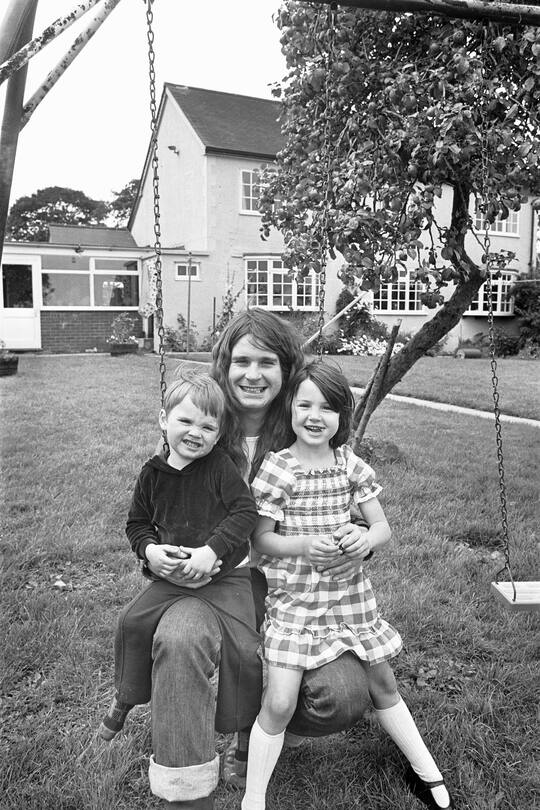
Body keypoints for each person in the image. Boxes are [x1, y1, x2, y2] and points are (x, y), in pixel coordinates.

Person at [145, 309, 373, 810]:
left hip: (294, 587)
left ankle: (263, 731)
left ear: (287, 369)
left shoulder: (305, 424)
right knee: (179, 640)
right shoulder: (200, 421)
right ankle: (187, 793)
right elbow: (155, 504)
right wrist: (153, 550)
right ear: (223, 365)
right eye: (241, 360)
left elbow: (352, 508)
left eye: (267, 361)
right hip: (208, 582)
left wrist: (361, 538)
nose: (253, 374)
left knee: (344, 694)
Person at [241, 361, 454, 810]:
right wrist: (303, 545)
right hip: (295, 599)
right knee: (279, 702)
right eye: (305, 404)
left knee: (384, 683)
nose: (316, 416)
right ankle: (253, 797)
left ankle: (427, 774)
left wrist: (362, 539)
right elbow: (260, 539)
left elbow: (381, 529)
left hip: (349, 596)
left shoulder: (349, 465)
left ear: (343, 416)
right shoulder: (279, 468)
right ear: (291, 408)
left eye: (329, 407)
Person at [99, 369, 260, 745]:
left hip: (224, 575)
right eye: (185, 420)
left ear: (219, 434)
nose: (194, 432)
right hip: (172, 576)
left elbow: (245, 513)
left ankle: (243, 735)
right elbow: (137, 524)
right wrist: (152, 552)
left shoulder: (219, 468)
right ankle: (125, 696)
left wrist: (211, 550)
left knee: (246, 651)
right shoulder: (152, 474)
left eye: (207, 427)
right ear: (163, 420)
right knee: (131, 621)